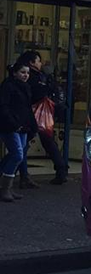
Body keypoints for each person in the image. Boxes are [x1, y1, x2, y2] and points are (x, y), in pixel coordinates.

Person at [17, 51, 68, 186]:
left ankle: (22, 174)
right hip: (43, 114)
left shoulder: (30, 77)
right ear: (32, 62)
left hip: (32, 113)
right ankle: (61, 170)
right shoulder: (41, 77)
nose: (40, 64)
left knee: (22, 145)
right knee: (47, 142)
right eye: (38, 61)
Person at [0, 62, 37, 202]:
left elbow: (27, 109)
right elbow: (3, 107)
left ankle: (8, 188)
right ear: (14, 73)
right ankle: (5, 189)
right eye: (22, 72)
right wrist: (13, 123)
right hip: (10, 126)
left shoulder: (26, 87)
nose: (26, 75)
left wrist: (32, 126)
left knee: (17, 154)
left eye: (27, 73)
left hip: (22, 126)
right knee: (17, 154)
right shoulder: (8, 86)